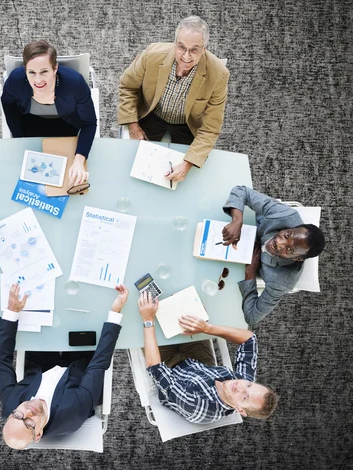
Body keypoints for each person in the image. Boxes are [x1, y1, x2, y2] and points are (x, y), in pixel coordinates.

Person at [0, 283, 127, 449]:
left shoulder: (12, 407)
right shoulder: (72, 411)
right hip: (81, 366)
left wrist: (11, 312)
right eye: (29, 424)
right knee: (86, 307)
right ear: (38, 435)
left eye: (18, 416)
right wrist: (115, 313)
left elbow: (2, 360)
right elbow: (98, 364)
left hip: (42, 363)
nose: (27, 412)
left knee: (46, 303)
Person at [118, 16, 229, 183]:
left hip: (187, 125)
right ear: (175, 43)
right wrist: (133, 125)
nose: (186, 56)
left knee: (188, 181)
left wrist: (187, 164)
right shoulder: (151, 55)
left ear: (203, 49)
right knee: (130, 172)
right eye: (181, 47)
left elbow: (211, 128)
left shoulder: (219, 75)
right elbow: (127, 86)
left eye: (194, 50)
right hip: (152, 114)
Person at [138, 291, 278, 423]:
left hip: (170, 370)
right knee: (186, 308)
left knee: (144, 312)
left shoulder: (196, 406)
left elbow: (155, 368)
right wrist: (207, 328)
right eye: (249, 384)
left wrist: (148, 320)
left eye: (244, 397)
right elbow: (249, 339)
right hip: (199, 363)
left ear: (240, 410)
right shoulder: (244, 383)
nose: (240, 386)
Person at [222, 185, 326, 325]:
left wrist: (250, 273)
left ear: (297, 258)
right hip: (245, 226)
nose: (279, 243)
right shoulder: (287, 215)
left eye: (289, 249)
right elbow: (241, 191)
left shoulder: (282, 282)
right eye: (286, 234)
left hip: (235, 268)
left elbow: (252, 317)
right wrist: (237, 220)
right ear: (291, 227)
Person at [1, 40, 97, 188]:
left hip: (67, 128)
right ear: (25, 70)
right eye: (31, 72)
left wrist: (79, 160)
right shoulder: (15, 80)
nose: (38, 80)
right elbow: (8, 105)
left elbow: (89, 123)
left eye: (44, 71)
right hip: (29, 128)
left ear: (55, 68)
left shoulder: (75, 83)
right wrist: (19, 138)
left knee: (67, 180)